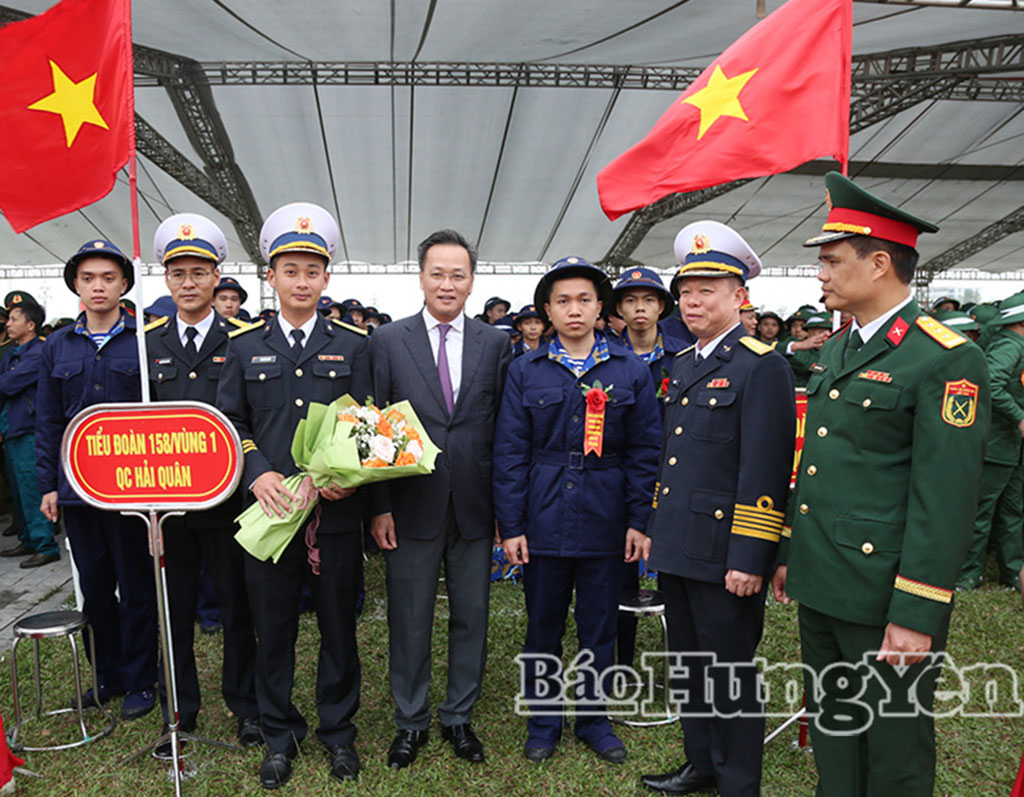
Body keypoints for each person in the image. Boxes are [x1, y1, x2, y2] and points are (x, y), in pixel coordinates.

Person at [771, 172, 990, 795]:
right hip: (822, 579)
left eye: (832, 262)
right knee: (837, 730)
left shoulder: (944, 357)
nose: (821, 275)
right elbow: (817, 467)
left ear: (879, 263)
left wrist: (918, 611)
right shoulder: (839, 348)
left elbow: (944, 500)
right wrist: (791, 552)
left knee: (893, 741)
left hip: (883, 593)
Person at [218, 202, 372, 789]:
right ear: (271, 276)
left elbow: (366, 424)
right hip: (268, 513)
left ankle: (338, 732)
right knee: (272, 626)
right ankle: (278, 735)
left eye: (313, 270)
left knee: (338, 626)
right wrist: (255, 472)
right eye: (290, 270)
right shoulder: (244, 345)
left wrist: (343, 475)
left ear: (326, 278)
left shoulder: (355, 346)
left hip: (331, 514)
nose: (302, 281)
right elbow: (230, 421)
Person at [640, 221, 795, 796]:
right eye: (687, 290)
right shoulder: (682, 363)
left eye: (709, 288)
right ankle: (701, 762)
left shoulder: (762, 366)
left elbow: (766, 469)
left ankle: (737, 781)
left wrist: (751, 556)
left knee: (728, 671)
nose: (694, 300)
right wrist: (659, 531)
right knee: (688, 666)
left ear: (740, 296)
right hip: (680, 544)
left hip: (727, 550)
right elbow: (673, 461)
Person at [494, 256, 661, 765]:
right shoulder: (524, 370)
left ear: (599, 307)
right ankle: (543, 721)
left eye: (584, 300)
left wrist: (638, 520)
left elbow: (645, 452)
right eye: (563, 301)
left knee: (600, 624)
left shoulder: (629, 370)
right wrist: (512, 526)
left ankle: (593, 719)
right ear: (546, 310)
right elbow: (509, 452)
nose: (574, 310)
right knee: (542, 623)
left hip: (606, 515)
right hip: (543, 514)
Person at [368, 229, 511, 770]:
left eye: (458, 274)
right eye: (437, 273)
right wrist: (379, 505)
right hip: (408, 505)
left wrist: (506, 511)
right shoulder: (387, 341)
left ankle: (458, 717)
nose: (447, 284)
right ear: (421, 277)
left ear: (472, 281)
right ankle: (410, 720)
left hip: (476, 502)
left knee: (472, 615)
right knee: (409, 616)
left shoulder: (496, 343)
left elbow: (506, 429)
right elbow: (373, 426)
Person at [145, 214, 260, 757]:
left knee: (238, 611)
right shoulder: (146, 345)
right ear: (166, 281)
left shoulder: (243, 340)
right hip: (168, 508)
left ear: (218, 278)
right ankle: (180, 711)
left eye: (199, 272)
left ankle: (246, 709)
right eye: (177, 274)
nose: (188, 283)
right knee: (177, 615)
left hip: (229, 501)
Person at [35, 240, 158, 721]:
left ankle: (142, 681)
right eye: (89, 278)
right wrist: (48, 485)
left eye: (108, 277)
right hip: (78, 491)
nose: (99, 286)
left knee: (137, 588)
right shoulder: (57, 347)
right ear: (76, 286)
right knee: (95, 589)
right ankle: (107, 676)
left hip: (132, 489)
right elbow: (48, 420)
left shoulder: (145, 341)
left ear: (124, 284)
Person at [956, 293, 1024, 591]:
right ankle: (969, 574)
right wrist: (1019, 417)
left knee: (1012, 510)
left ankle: (1013, 573)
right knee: (981, 510)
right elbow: (990, 384)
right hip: (997, 443)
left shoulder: (1012, 344)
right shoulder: (1010, 345)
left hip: (1009, 445)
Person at [0, 295, 59, 568]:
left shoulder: (38, 353)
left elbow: (8, 385)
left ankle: (45, 544)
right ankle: (28, 539)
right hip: (12, 428)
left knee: (33, 488)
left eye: (14, 319)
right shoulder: (12, 352)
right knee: (19, 488)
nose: (8, 324)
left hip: (30, 430)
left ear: (31, 325)